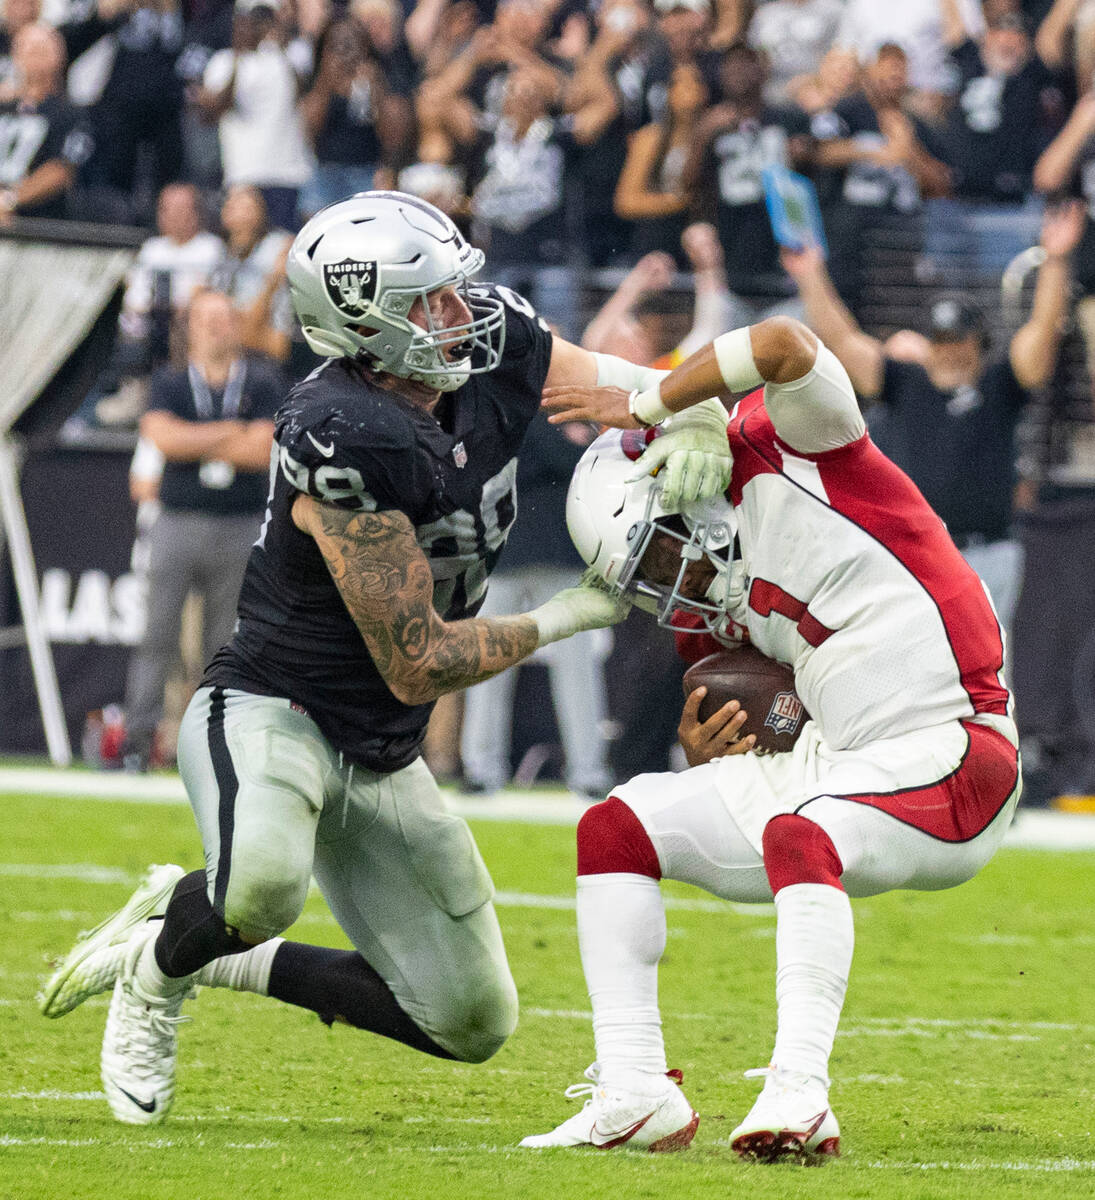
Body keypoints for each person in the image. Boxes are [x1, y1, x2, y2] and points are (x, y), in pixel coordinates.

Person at [38, 189, 731, 1127]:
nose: (458, 314)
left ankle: (212, 938)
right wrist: (574, 611)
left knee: (470, 1019)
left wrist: (685, 414)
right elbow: (420, 660)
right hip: (272, 710)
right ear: (358, 323)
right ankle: (161, 973)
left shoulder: (490, 335)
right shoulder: (342, 429)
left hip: (382, 747)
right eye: (428, 301)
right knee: (266, 886)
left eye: (453, 291)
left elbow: (614, 385)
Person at [521, 313, 1022, 1158]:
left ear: (682, 493)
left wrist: (652, 401)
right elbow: (756, 726)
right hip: (834, 762)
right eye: (639, 577)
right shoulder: (705, 599)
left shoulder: (792, 443)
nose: (664, 585)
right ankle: (635, 1088)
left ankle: (798, 1093)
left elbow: (782, 341)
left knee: (804, 831)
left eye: (655, 555)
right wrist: (708, 744)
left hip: (955, 746)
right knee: (617, 827)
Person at [779, 201, 1082, 633]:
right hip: (915, 552)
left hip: (989, 554)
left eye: (960, 341)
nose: (951, 351)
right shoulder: (904, 381)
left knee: (991, 671)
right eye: (942, 341)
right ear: (929, 344)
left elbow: (1041, 335)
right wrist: (810, 275)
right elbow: (843, 340)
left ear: (979, 344)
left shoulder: (999, 384)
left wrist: (1055, 261)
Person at [119, 288, 284, 772]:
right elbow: (162, 437)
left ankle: (217, 743)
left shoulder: (263, 378)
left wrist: (196, 441)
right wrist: (230, 432)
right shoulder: (170, 380)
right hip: (178, 523)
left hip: (239, 525)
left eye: (224, 318)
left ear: (236, 324)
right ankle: (137, 740)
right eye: (206, 319)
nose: (216, 327)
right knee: (158, 635)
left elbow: (262, 449)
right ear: (190, 328)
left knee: (225, 644)